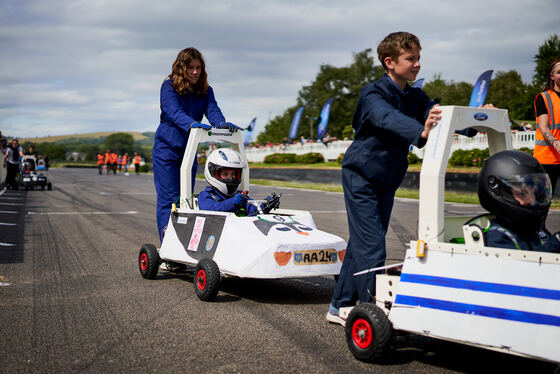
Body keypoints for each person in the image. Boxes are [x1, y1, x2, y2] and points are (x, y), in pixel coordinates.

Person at [326, 32, 441, 326]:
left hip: (387, 181)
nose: (417, 64)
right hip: (361, 177)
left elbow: (437, 114)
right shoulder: (373, 94)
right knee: (373, 245)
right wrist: (420, 132)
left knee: (362, 244)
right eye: (410, 59)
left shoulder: (415, 96)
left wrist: (475, 119)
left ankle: (339, 305)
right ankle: (370, 309)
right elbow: (385, 117)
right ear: (389, 62)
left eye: (418, 58)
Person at [152, 47, 240, 242]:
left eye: (198, 67)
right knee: (170, 199)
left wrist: (221, 124)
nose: (195, 72)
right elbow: (173, 112)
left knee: (186, 198)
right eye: (190, 67)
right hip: (167, 149)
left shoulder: (206, 90)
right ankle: (168, 244)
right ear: (181, 68)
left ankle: (183, 243)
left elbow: (213, 110)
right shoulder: (168, 86)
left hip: (189, 149)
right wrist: (192, 124)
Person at [478, 150, 560, 252]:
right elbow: (525, 266)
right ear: (498, 191)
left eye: (533, 193)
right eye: (522, 194)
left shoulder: (536, 232)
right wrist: (557, 242)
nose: (531, 200)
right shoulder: (498, 237)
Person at [198, 148, 279, 215]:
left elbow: (254, 210)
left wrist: (267, 205)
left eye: (233, 174)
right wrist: (233, 203)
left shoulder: (240, 196)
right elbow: (210, 210)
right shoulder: (206, 196)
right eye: (225, 174)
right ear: (212, 172)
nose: (230, 178)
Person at [534, 59, 560, 194]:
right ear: (552, 76)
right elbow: (543, 127)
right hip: (547, 159)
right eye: (559, 72)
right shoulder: (543, 98)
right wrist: (555, 143)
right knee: (541, 201)